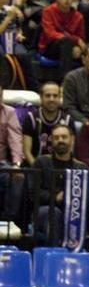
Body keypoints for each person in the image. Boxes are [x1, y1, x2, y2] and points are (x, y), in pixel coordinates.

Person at [33, 124, 88, 245]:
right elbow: (33, 192)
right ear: (51, 141)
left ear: (72, 139)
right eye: (56, 137)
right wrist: (55, 197)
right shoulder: (41, 162)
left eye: (64, 137)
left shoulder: (81, 167)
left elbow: (86, 197)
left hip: (73, 212)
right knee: (54, 212)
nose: (60, 140)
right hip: (44, 210)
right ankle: (54, 253)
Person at [23, 82, 72, 166]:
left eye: (55, 96)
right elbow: (27, 152)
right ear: (41, 98)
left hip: (60, 167)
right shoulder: (31, 118)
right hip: (34, 167)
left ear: (60, 98)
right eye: (48, 96)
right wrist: (38, 170)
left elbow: (70, 149)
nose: (51, 99)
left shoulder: (68, 120)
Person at [38, 0, 85, 76]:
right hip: (50, 47)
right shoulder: (48, 11)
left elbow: (82, 38)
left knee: (86, 52)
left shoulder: (78, 16)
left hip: (70, 48)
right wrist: (75, 40)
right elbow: (50, 34)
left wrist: (79, 49)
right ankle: (66, 81)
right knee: (66, 42)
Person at [0, 84, 23, 224]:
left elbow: (15, 139)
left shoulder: (9, 112)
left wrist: (16, 164)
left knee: (17, 177)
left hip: (1, 164)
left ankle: (8, 220)